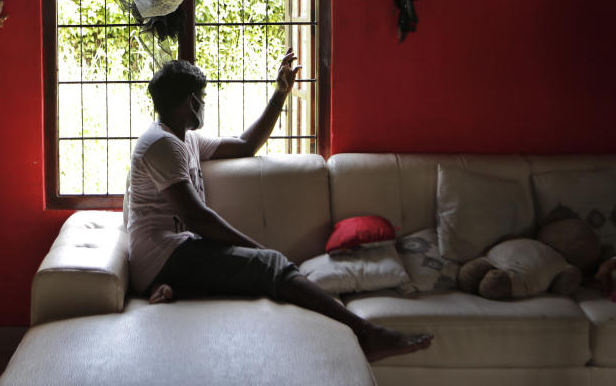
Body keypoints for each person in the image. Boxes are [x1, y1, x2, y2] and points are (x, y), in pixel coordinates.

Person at [125, 49, 433, 362]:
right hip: (161, 258)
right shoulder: (161, 144)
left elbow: (246, 145)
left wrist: (280, 93)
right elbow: (196, 218)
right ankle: (368, 335)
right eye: (203, 97)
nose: (205, 103)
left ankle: (176, 290)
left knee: (258, 271)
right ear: (191, 102)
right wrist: (258, 249)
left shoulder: (184, 138)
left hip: (179, 253)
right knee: (269, 264)